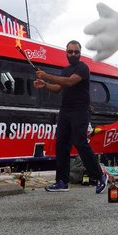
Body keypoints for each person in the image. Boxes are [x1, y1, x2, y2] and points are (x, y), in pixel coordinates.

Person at [33, 40, 108, 194]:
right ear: (66, 53)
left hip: (80, 111)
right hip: (65, 111)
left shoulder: (83, 68)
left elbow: (69, 82)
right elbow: (58, 88)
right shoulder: (65, 70)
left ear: (80, 53)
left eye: (76, 52)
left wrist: (46, 75)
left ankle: (100, 177)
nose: (73, 54)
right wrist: (45, 84)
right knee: (61, 144)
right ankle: (62, 182)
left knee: (80, 143)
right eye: (70, 52)